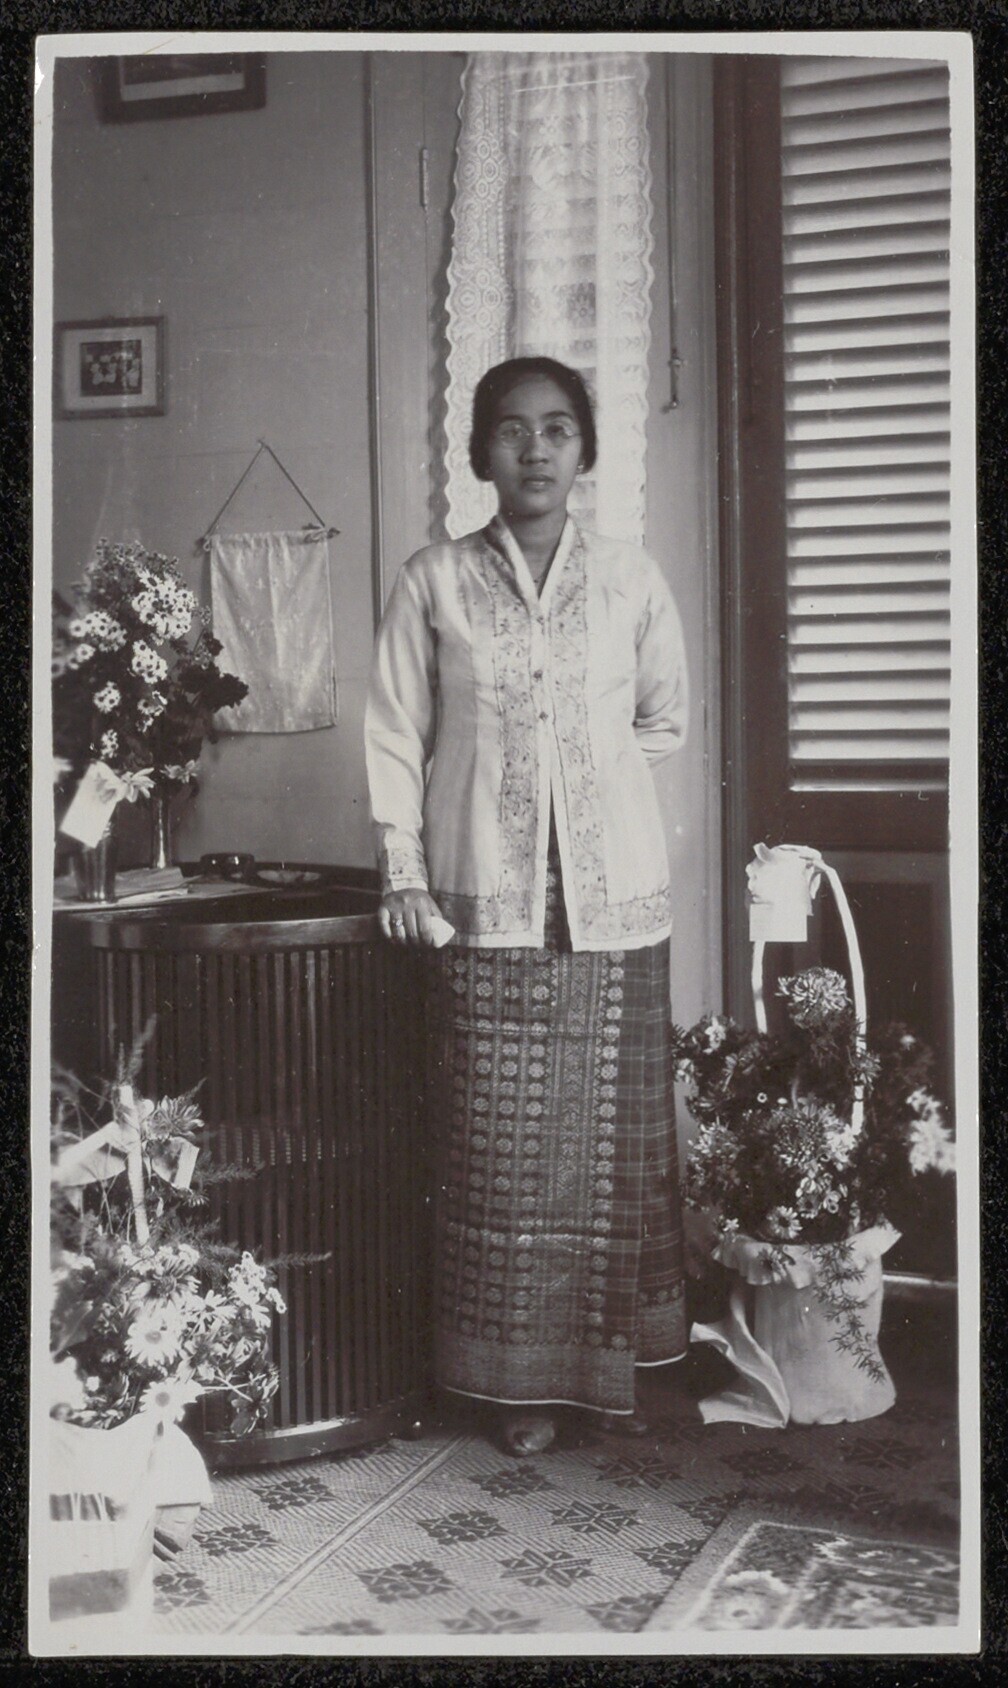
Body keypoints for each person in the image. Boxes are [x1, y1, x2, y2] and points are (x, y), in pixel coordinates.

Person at [365, 356, 689, 1456]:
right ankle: (513, 1388)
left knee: (606, 1146)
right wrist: (407, 868)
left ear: (583, 449)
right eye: (512, 429)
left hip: (611, 900)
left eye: (557, 429)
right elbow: (395, 735)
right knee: (497, 1154)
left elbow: (662, 721)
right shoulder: (435, 581)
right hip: (484, 900)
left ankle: (610, 1374)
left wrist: (584, 792)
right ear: (481, 452)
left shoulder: (631, 578)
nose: (536, 449)